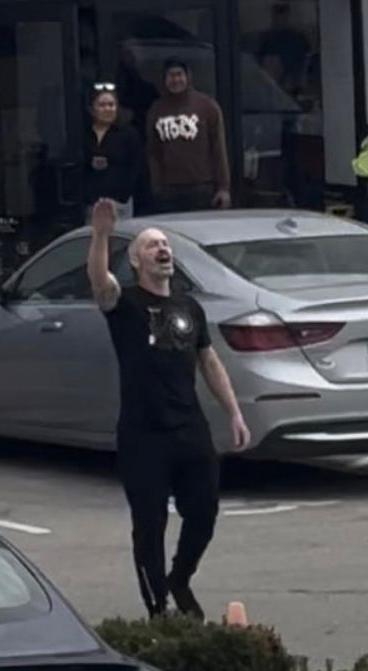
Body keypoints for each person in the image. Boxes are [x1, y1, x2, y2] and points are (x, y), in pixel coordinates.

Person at [87, 198, 250, 620]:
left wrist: (233, 412)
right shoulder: (123, 305)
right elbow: (99, 282)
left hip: (188, 428)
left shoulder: (189, 307)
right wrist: (101, 233)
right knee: (150, 524)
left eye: (165, 245)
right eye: (152, 245)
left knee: (204, 512)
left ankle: (180, 578)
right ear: (136, 260)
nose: (163, 250)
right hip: (144, 434)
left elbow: (209, 361)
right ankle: (158, 607)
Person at [146, 58, 232, 212]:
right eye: (171, 76)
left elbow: (218, 148)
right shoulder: (156, 109)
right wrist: (156, 186)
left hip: (201, 187)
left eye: (179, 74)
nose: (175, 80)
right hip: (168, 190)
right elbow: (153, 151)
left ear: (188, 77)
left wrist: (223, 187)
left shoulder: (207, 106)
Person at [83, 84, 144, 221]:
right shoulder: (84, 135)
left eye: (111, 105)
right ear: (92, 109)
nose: (107, 109)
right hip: (92, 203)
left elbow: (137, 167)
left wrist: (126, 193)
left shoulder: (128, 133)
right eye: (102, 105)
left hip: (120, 202)